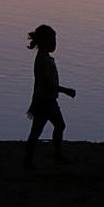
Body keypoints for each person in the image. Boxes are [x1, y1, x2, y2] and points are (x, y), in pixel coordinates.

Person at [24, 24, 76, 169]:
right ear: (44, 42)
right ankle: (32, 161)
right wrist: (65, 90)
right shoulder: (42, 60)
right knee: (40, 130)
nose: (55, 44)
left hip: (47, 100)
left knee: (56, 126)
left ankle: (53, 157)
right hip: (45, 101)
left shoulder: (45, 58)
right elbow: (45, 83)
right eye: (52, 40)